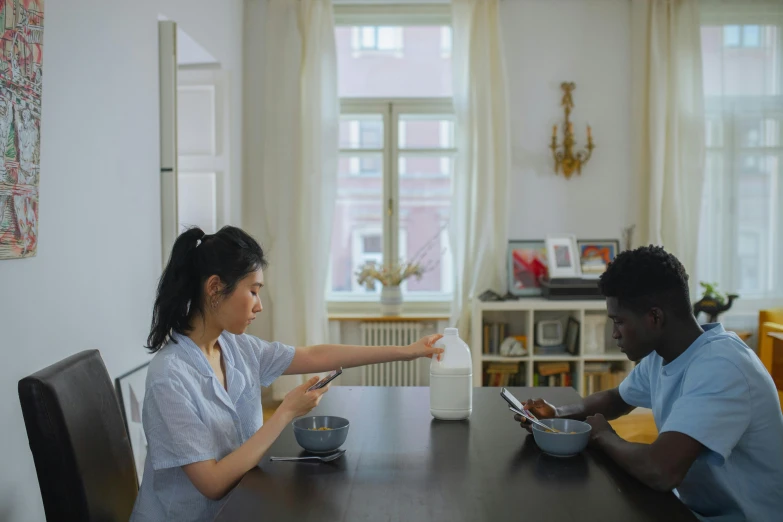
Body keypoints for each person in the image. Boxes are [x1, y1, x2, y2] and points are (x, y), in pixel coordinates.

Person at [130, 226, 444, 522]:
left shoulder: (236, 348)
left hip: (238, 506)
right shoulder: (169, 377)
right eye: (252, 291)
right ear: (215, 288)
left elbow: (314, 355)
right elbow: (212, 483)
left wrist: (407, 351)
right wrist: (286, 412)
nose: (259, 305)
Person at [516, 245, 783, 521]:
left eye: (619, 321)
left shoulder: (722, 368)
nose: (614, 334)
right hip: (694, 511)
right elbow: (616, 399)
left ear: (655, 317)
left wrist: (603, 436)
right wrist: (557, 415)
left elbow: (661, 470)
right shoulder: (666, 354)